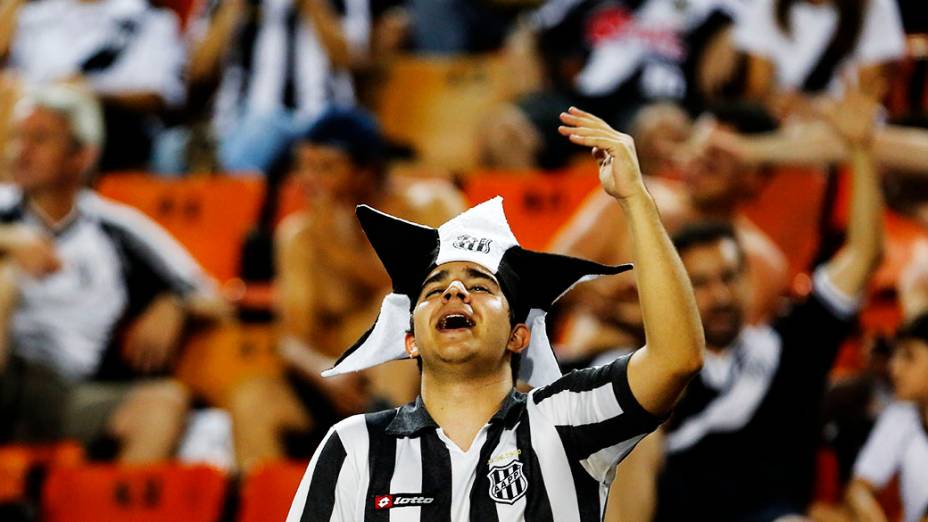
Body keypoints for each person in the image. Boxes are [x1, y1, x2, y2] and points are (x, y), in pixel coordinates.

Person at [286, 106, 704, 520]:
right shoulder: (353, 445)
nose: (454, 290)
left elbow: (676, 358)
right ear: (409, 340)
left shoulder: (566, 419)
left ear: (517, 334)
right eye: (434, 290)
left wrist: (635, 199)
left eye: (480, 286)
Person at [652, 86, 884, 521]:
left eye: (728, 277)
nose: (719, 295)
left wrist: (861, 149)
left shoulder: (793, 344)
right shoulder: (653, 370)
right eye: (699, 283)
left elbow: (864, 253)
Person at [226, 107, 466, 471]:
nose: (308, 180)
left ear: (367, 170)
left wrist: (341, 251)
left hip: (425, 375)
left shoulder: (433, 205)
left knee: (396, 317)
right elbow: (291, 340)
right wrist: (326, 373)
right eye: (303, 166)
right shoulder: (298, 236)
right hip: (334, 383)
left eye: (325, 167)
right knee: (252, 400)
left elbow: (437, 294)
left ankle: (389, 487)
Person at [0, 84, 226, 462]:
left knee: (162, 405)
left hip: (65, 389)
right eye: (17, 138)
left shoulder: (116, 229)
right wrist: (8, 240)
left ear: (82, 156)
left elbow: (214, 298)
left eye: (39, 139)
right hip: (8, 374)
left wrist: (176, 303)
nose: (20, 151)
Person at [552, 102, 789, 359]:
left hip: (687, 390)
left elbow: (720, 344)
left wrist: (618, 306)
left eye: (714, 160)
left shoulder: (762, 262)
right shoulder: (624, 196)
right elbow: (548, 275)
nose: (698, 165)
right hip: (580, 369)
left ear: (755, 177)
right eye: (696, 151)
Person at [184, 0, 371, 173]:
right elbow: (198, 69)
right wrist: (232, 8)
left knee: (260, 128)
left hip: (320, 115)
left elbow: (352, 59)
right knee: (172, 149)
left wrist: (312, 5)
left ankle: (226, 191)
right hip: (237, 119)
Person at [0, 0, 187, 171]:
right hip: (30, 115)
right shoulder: (34, 16)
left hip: (115, 126)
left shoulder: (149, 19)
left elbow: (160, 95)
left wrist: (86, 92)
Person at [735, 0, 904, 116]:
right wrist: (779, 104)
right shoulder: (769, 5)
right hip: (783, 127)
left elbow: (869, 92)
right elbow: (758, 87)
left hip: (849, 129)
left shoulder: (875, 6)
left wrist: (816, 110)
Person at [846, 312, 928, 522]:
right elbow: (859, 487)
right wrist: (866, 508)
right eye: (895, 355)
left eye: (908, 356)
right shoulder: (900, 413)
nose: (894, 367)